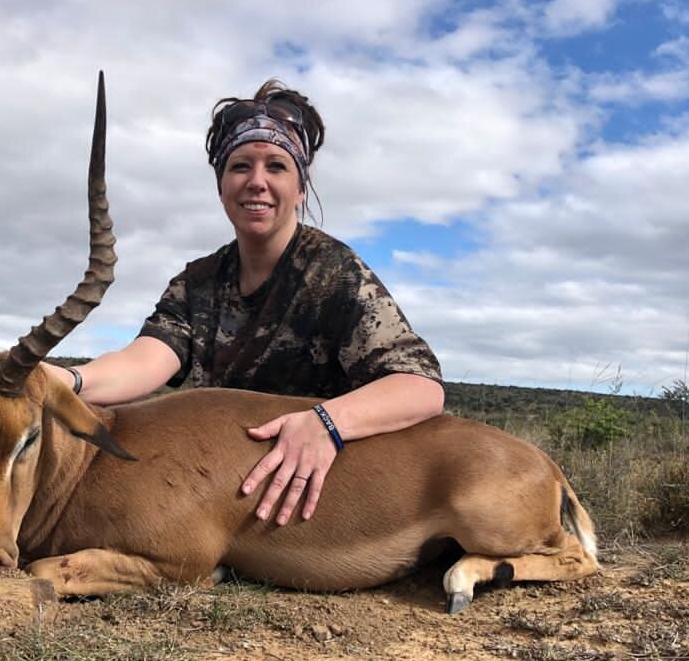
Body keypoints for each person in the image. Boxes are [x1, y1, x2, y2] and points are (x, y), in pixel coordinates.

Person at [46, 80, 444, 526]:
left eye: (276, 166)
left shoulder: (335, 272)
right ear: (221, 188)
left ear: (299, 189)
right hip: (227, 485)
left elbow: (421, 387)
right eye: (240, 167)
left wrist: (326, 422)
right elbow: (145, 362)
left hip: (320, 492)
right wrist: (65, 379)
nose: (257, 182)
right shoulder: (198, 282)